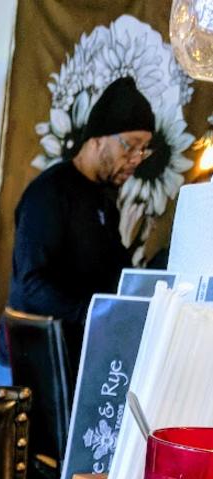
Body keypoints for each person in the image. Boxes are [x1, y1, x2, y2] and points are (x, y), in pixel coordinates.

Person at [8, 76, 155, 373]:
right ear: (98, 138)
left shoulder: (102, 199)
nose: (136, 159)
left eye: (144, 149)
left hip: (84, 354)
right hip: (43, 362)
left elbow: (115, 270)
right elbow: (32, 285)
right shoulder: (49, 193)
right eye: (131, 146)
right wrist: (97, 314)